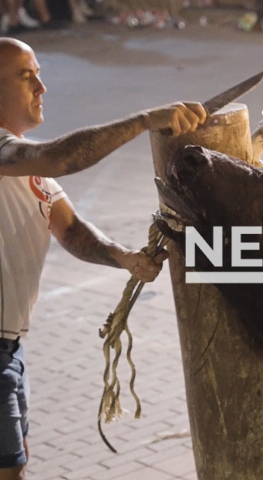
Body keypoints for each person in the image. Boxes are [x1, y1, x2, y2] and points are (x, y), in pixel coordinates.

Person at [0, 37, 207, 480]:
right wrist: (143, 120)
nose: (41, 86)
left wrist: (125, 258)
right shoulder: (18, 156)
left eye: (39, 73)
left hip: (10, 349)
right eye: (25, 76)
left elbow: (71, 230)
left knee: (15, 462)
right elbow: (59, 157)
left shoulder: (23, 167)